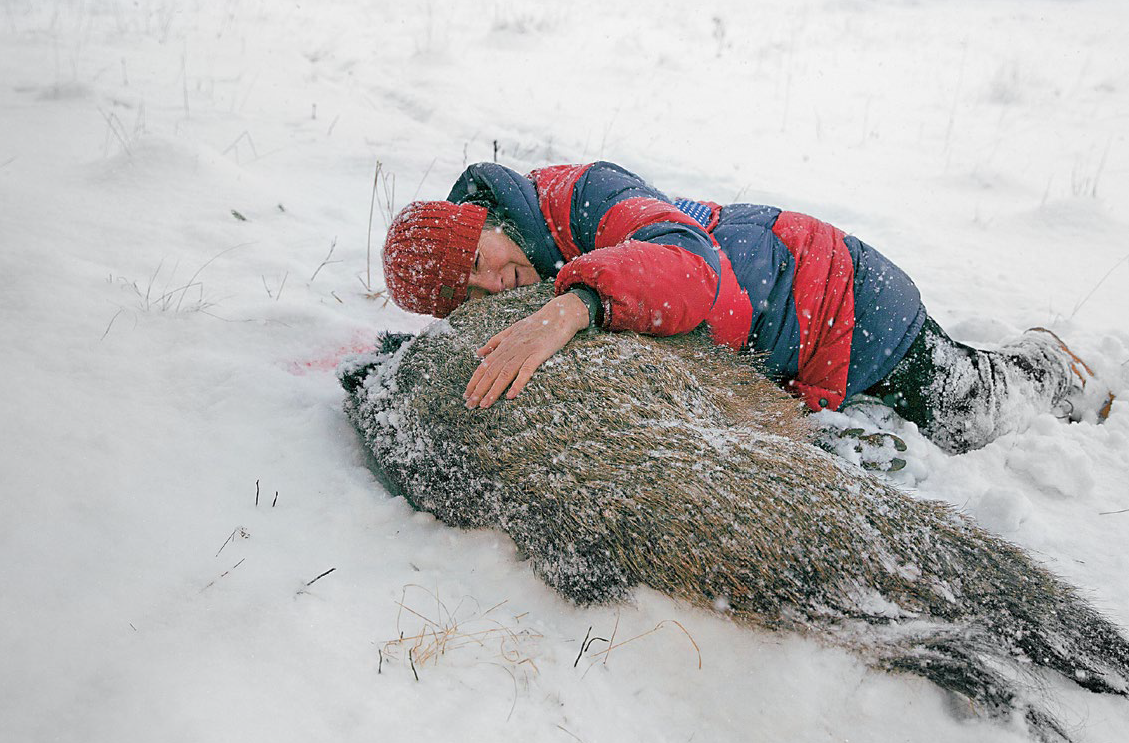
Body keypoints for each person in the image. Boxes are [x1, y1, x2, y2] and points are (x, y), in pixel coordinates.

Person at [381, 161, 1113, 454]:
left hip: (837, 298)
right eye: (470, 295)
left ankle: (1043, 367)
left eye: (479, 262)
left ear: (476, 219)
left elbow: (689, 266)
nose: (494, 284)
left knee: (971, 416)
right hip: (788, 330)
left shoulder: (581, 193)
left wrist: (570, 308)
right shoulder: (530, 244)